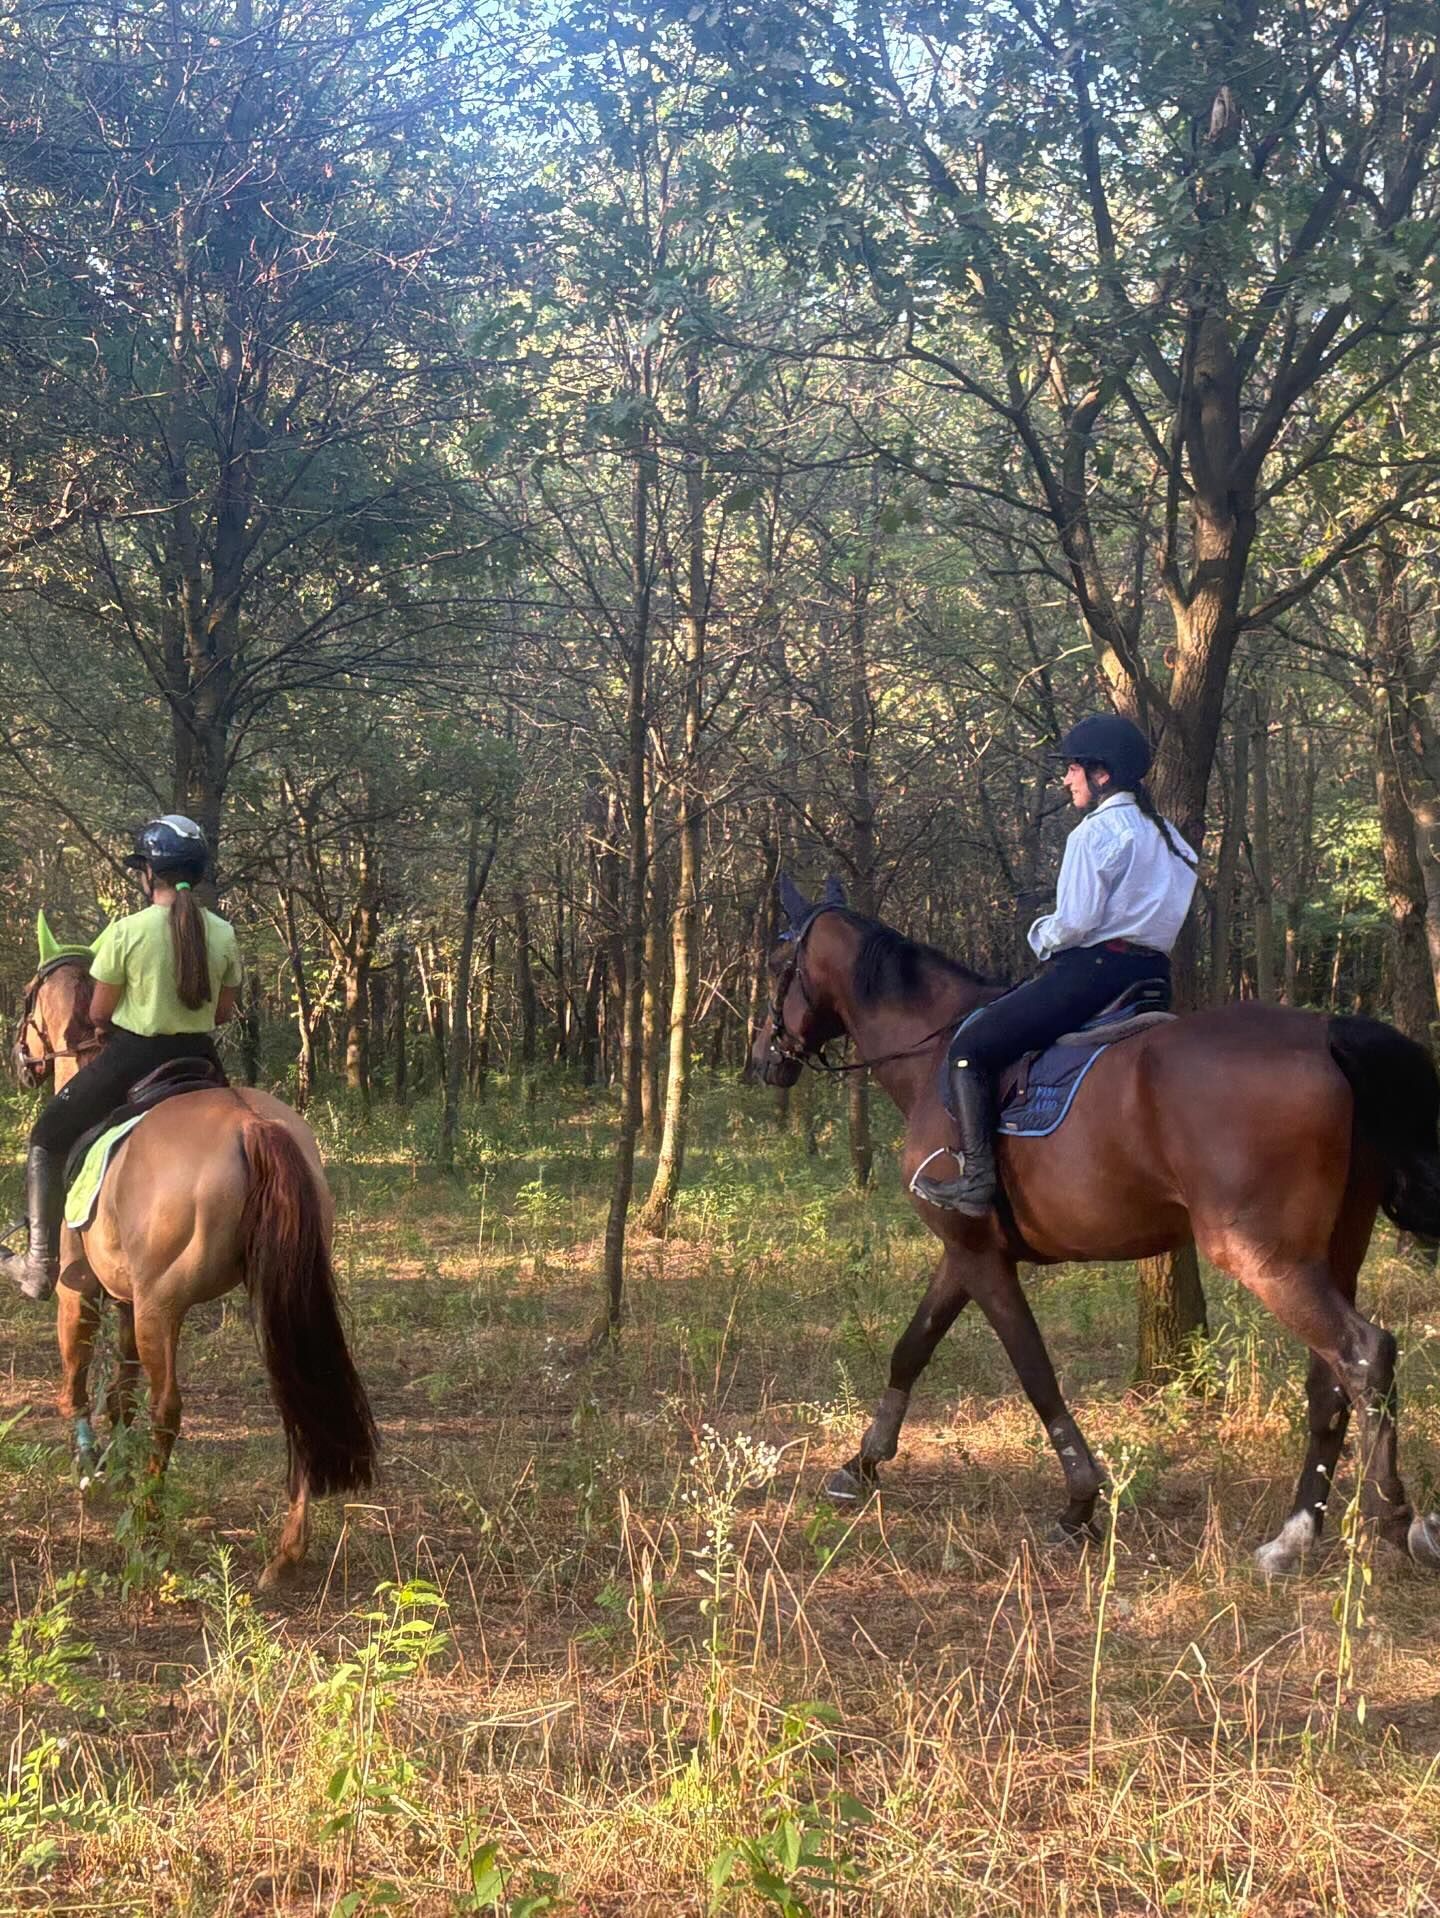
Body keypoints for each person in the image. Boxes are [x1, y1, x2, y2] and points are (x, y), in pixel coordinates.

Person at [912, 714, 1197, 1216]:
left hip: (1092, 974)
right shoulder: (1173, 839)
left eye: (1072, 769)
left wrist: (1040, 934)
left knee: (970, 1049)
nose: (1066, 780)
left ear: (1102, 773)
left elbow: (1077, 923)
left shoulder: (1094, 834)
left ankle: (977, 1180)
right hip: (1153, 977)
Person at [3, 815, 241, 1302]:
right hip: (202, 1058)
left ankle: (38, 1263)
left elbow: (99, 1013)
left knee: (46, 1135)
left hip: (135, 1056)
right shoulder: (223, 933)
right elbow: (222, 1012)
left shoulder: (127, 931)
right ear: (197, 872)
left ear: (148, 873)